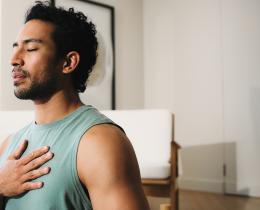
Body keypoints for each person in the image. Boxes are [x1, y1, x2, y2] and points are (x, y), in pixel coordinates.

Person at [0, 1, 150, 210]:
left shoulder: (101, 143)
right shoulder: (9, 145)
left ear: (68, 62)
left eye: (31, 48)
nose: (14, 60)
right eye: (15, 48)